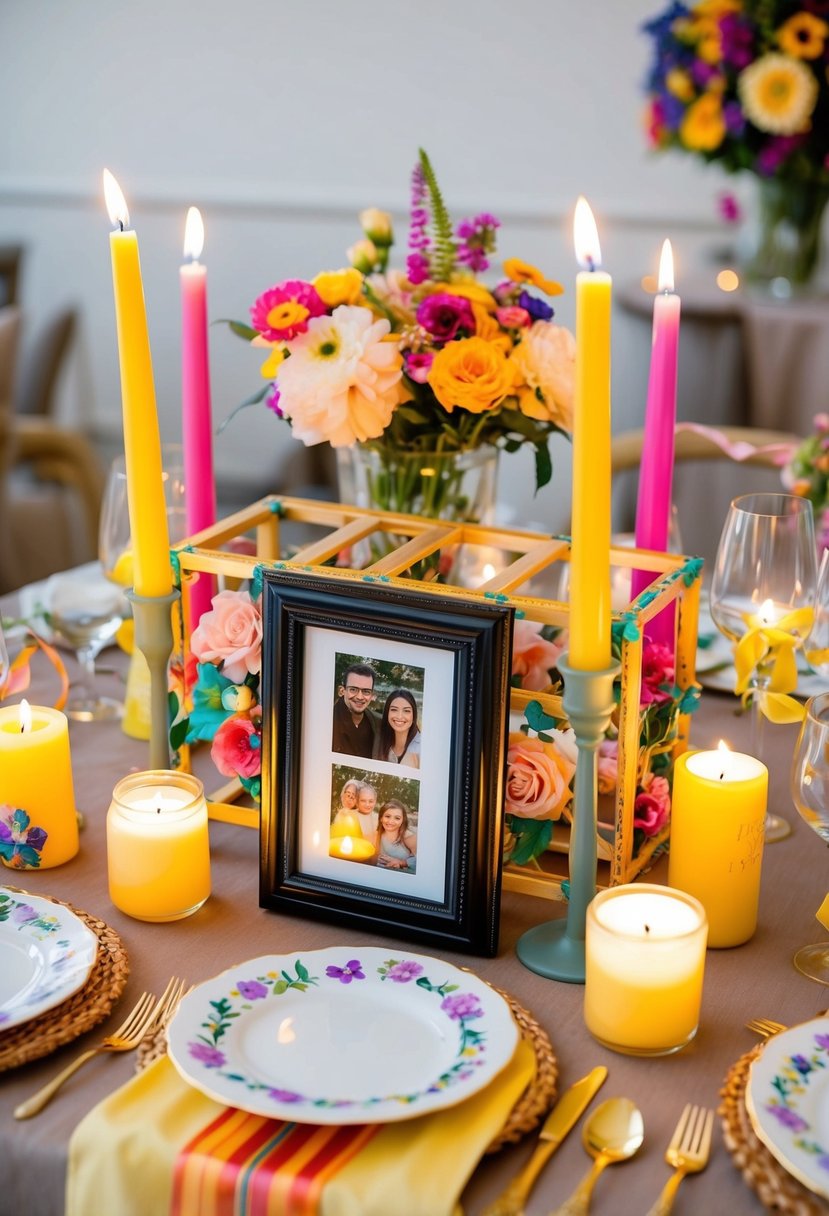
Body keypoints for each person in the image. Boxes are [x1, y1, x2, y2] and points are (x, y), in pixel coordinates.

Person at [332, 663, 379, 759]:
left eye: (366, 691)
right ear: (341, 691)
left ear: (372, 695)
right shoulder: (326, 719)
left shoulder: (378, 723)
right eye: (353, 689)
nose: (360, 697)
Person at [376, 688, 421, 769]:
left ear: (414, 715)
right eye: (394, 710)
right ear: (387, 713)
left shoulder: (422, 748)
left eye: (406, 711)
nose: (399, 716)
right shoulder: (379, 742)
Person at [374, 800, 417, 873]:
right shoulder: (377, 835)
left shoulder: (409, 837)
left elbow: (423, 862)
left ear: (402, 820)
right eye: (387, 816)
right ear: (381, 818)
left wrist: (401, 863)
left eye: (397, 818)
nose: (390, 821)